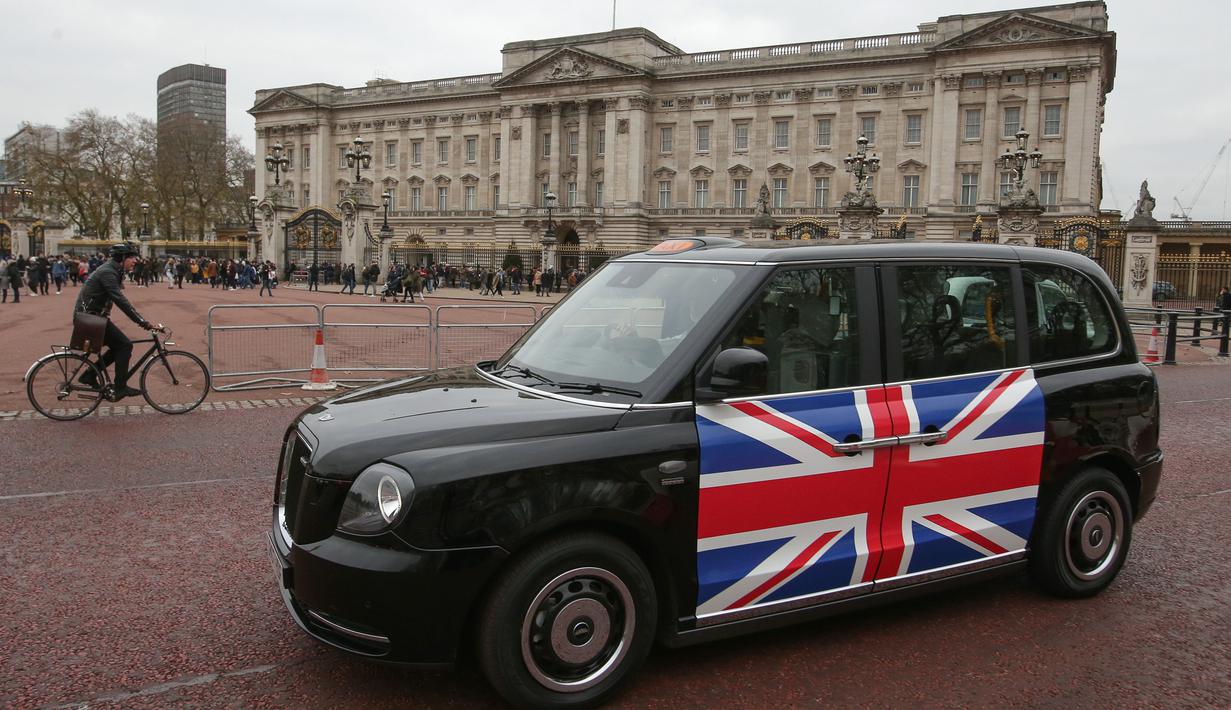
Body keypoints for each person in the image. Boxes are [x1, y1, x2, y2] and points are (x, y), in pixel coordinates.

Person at [74, 242, 157, 400]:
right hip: (89, 318)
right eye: (132, 258)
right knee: (125, 345)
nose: (135, 261)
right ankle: (120, 387)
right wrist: (141, 321)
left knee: (118, 346)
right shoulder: (108, 272)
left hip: (93, 317)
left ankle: (89, 375)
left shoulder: (114, 270)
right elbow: (120, 300)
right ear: (123, 258)